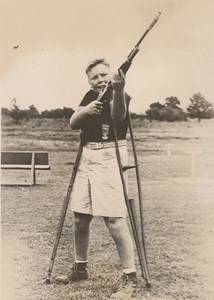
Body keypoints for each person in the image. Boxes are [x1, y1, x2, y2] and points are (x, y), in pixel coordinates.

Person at [55, 58, 138, 298]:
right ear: (89, 82)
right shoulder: (89, 97)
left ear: (113, 75)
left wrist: (119, 89)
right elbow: (73, 123)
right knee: (81, 217)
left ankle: (130, 277)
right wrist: (87, 110)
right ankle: (80, 269)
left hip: (111, 155)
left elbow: (118, 118)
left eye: (104, 74)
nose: (101, 80)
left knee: (114, 219)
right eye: (95, 77)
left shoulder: (120, 93)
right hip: (88, 156)